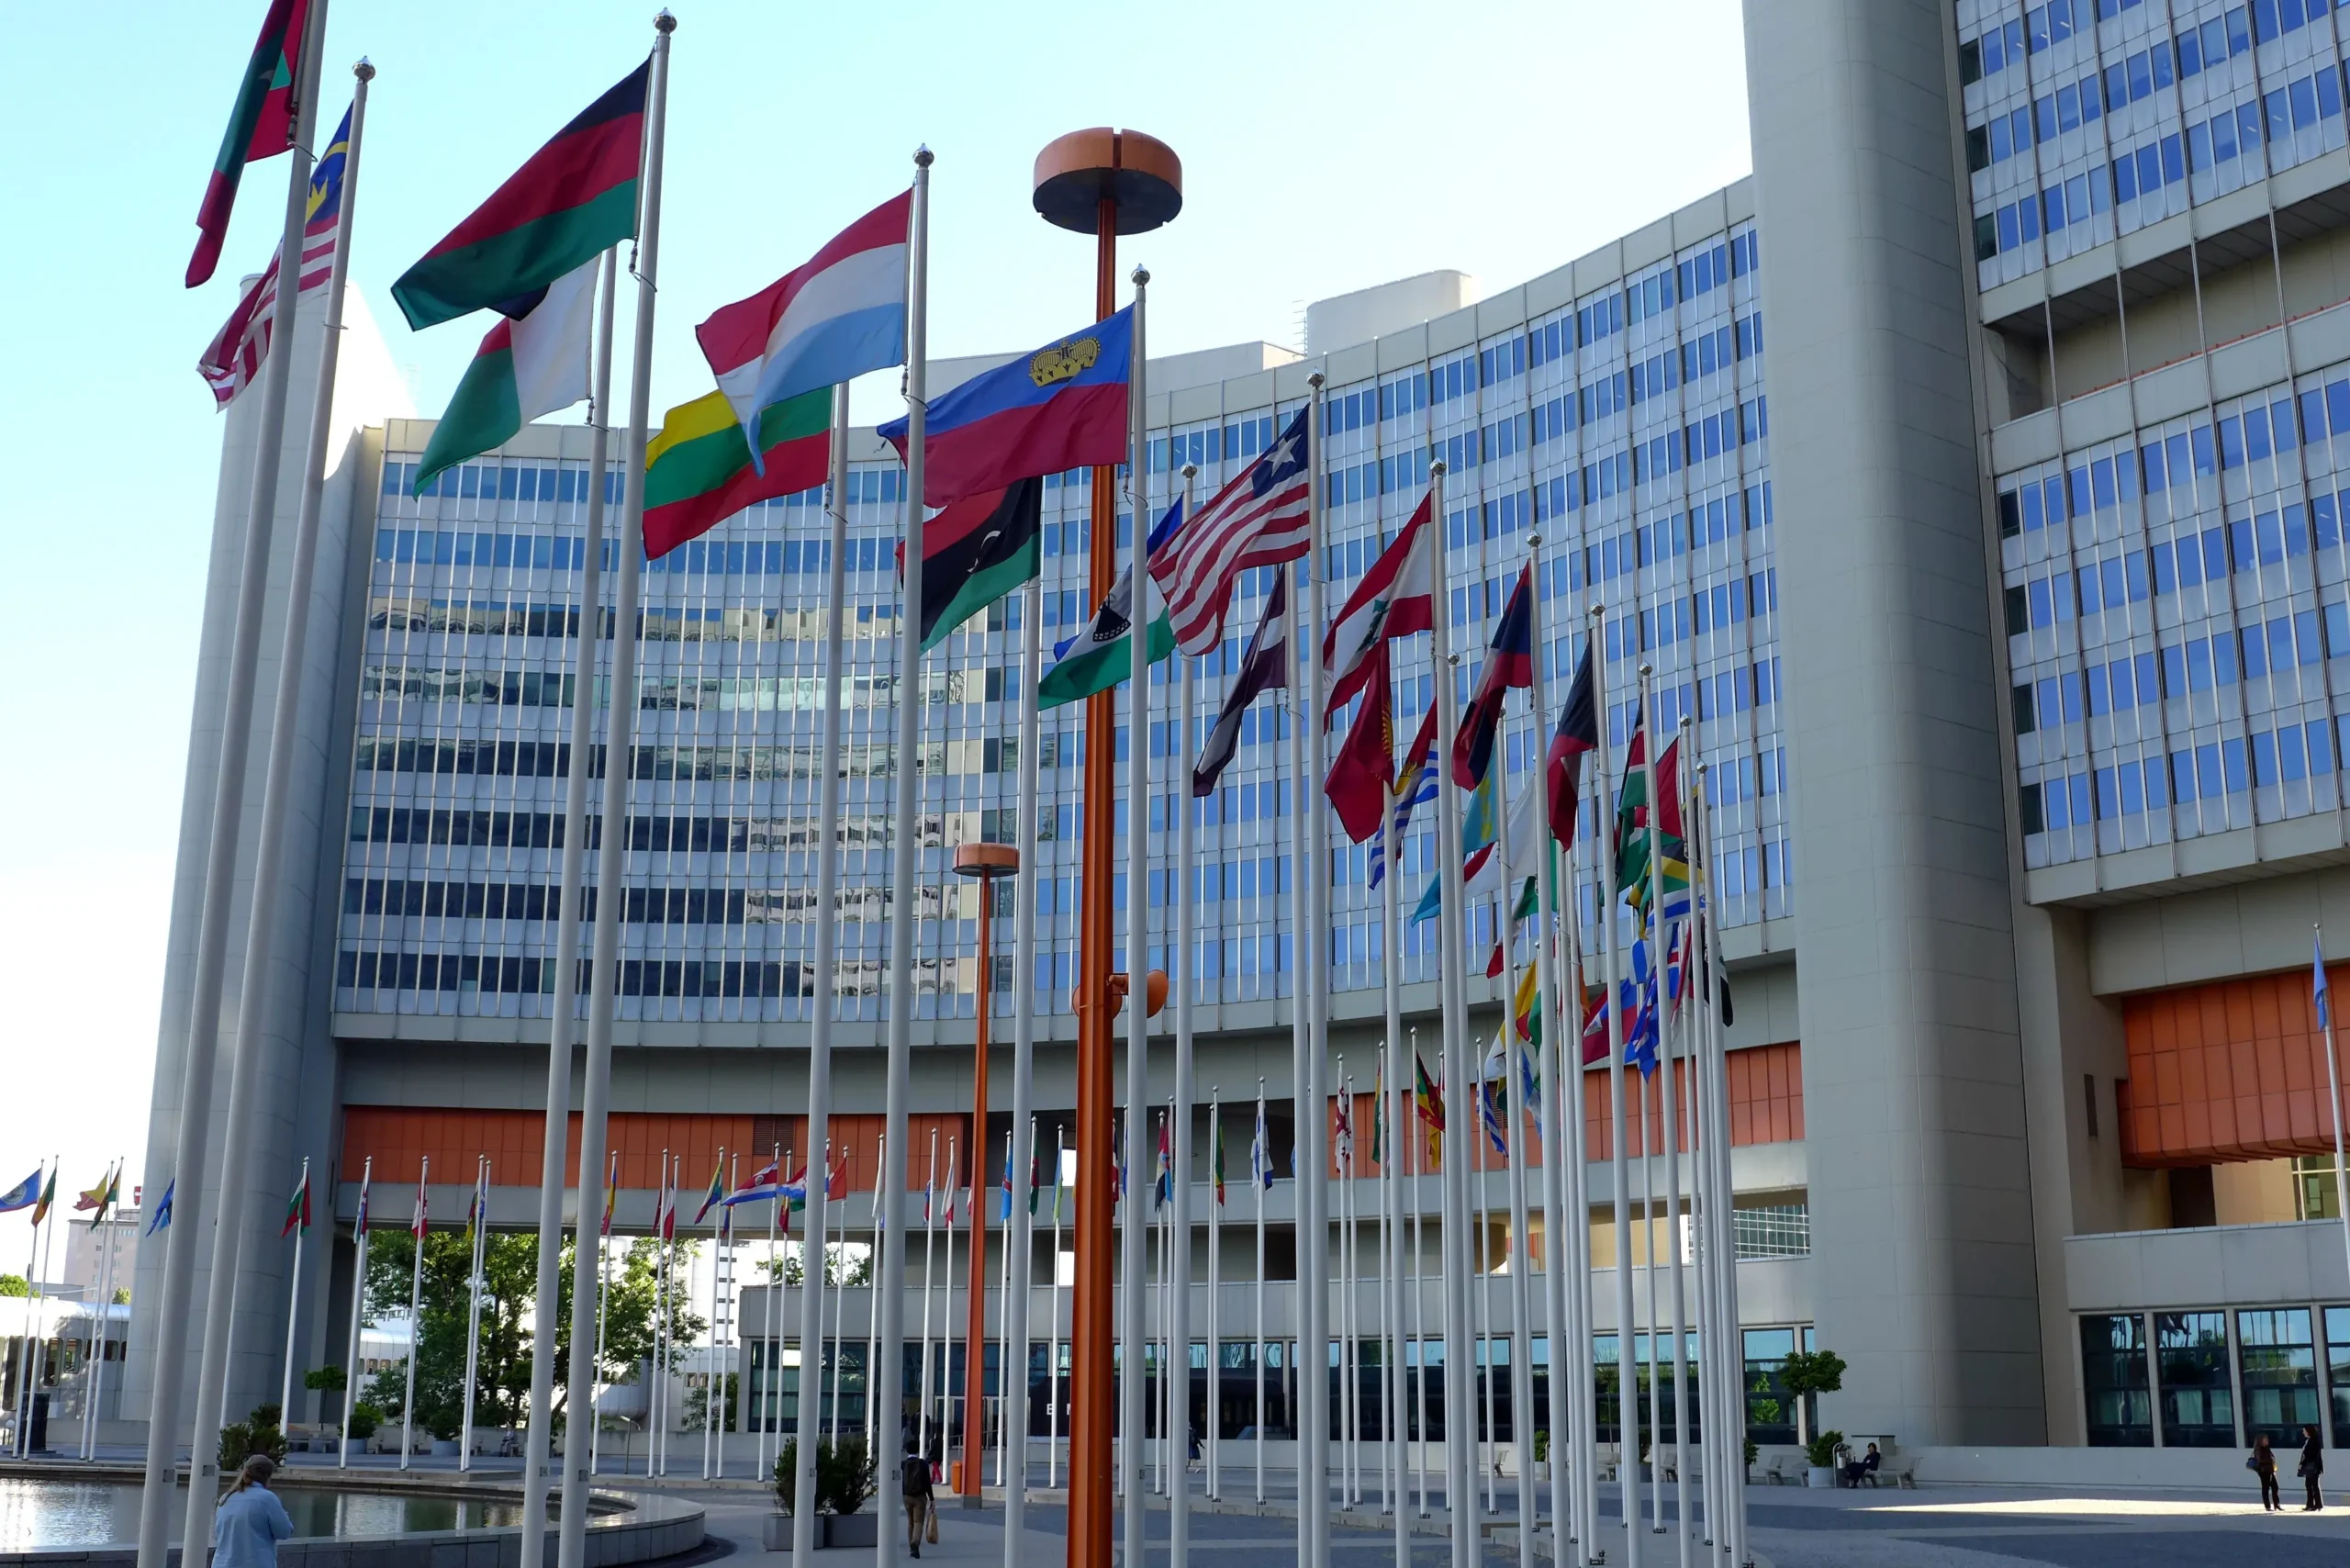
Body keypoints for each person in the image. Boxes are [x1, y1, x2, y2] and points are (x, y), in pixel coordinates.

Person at [212, 1456, 296, 1568]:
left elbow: (218, 1534)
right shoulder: (267, 1498)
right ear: (267, 1476)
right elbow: (284, 1532)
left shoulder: (226, 1497)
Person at [901, 1441, 935, 1559]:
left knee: (910, 1522)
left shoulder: (903, 1464)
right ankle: (915, 1543)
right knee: (918, 1522)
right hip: (920, 1497)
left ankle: (911, 1548)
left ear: (907, 1450)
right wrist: (932, 1498)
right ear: (917, 1450)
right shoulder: (922, 1464)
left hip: (907, 1496)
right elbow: (927, 1483)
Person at [2251, 1434, 2281, 1511]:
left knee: (2275, 1487)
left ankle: (2276, 1504)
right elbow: (2260, 1460)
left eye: (2267, 1439)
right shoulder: (2258, 1449)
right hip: (2264, 1471)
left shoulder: (2267, 1448)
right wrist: (2270, 1460)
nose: (2266, 1441)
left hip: (2270, 1470)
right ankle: (2267, 1506)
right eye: (2265, 1439)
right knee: (2266, 1488)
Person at [2300, 1423, 2326, 1511]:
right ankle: (2311, 1504)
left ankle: (2316, 1504)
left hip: (2313, 1466)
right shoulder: (2311, 1440)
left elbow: (2312, 1454)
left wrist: (2304, 1461)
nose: (2303, 1432)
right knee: (2310, 1485)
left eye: (2304, 1431)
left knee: (2313, 1485)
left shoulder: (2314, 1441)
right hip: (2311, 1466)